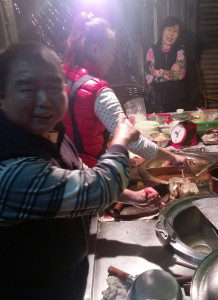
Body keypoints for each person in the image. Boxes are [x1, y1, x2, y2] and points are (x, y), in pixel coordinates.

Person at [0, 41, 160, 300]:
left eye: (53, 86)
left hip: (64, 276)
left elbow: (80, 173)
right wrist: (119, 141)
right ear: (2, 94)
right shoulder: (11, 169)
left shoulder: (49, 132)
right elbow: (97, 190)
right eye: (27, 88)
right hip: (31, 290)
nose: (44, 101)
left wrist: (131, 196)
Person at [62, 12, 189, 205]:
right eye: (111, 50)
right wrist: (172, 157)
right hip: (91, 178)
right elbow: (133, 142)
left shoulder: (64, 74)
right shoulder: (98, 91)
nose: (113, 58)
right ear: (95, 49)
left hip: (66, 169)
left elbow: (79, 126)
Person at [145, 16, 191, 113]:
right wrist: (171, 73)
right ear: (163, 30)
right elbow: (149, 78)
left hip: (178, 101)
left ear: (178, 35)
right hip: (158, 101)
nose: (171, 34)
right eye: (169, 29)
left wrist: (159, 73)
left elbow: (180, 75)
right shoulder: (152, 50)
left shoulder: (180, 50)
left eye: (175, 31)